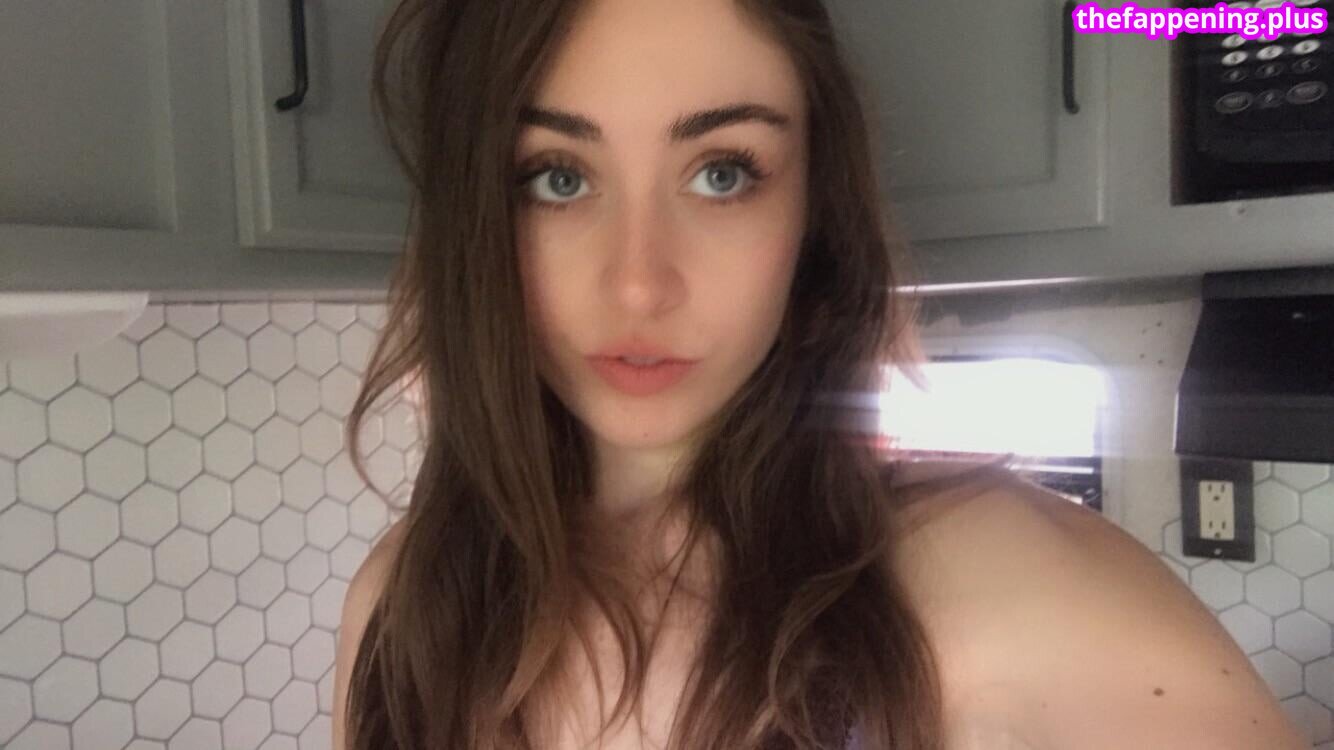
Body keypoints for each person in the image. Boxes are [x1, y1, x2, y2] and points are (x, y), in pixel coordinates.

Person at [331, 1, 1310, 748]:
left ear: (811, 208)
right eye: (556, 176)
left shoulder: (1017, 589)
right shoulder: (401, 612)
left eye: (721, 172)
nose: (638, 284)